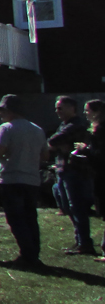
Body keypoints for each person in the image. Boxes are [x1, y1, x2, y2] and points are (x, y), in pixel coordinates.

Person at [0, 94, 49, 268]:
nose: (0, 113)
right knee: (30, 217)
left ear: (10, 111)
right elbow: (45, 155)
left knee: (16, 219)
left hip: (12, 178)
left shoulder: (6, 128)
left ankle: (27, 255)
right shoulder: (37, 129)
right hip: (32, 179)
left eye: (2, 110)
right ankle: (33, 253)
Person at [47, 96, 95, 255]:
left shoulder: (76, 125)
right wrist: (57, 145)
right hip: (63, 169)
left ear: (71, 108)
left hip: (75, 171)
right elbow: (51, 144)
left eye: (60, 108)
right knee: (67, 206)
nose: (57, 111)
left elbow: (54, 140)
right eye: (56, 108)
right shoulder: (64, 125)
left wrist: (57, 145)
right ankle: (80, 240)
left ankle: (85, 243)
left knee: (77, 207)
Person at [72, 99, 105, 258]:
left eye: (88, 110)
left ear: (97, 112)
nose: (85, 113)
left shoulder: (100, 131)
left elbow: (100, 155)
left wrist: (85, 149)